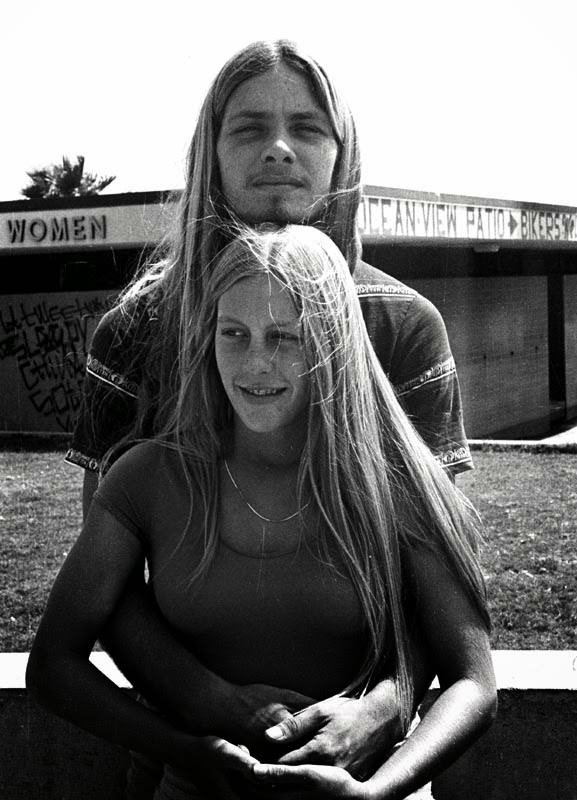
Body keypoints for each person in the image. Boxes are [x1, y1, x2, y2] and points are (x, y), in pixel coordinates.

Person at [63, 39, 474, 787]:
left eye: (307, 128)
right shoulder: (131, 330)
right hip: (190, 754)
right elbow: (107, 589)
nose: (280, 149)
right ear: (209, 153)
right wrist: (207, 706)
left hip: (365, 761)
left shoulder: (407, 326)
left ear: (342, 155)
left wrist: (386, 704)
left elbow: (438, 576)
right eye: (248, 128)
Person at [28, 224, 496, 800]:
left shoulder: (397, 479)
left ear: (332, 342)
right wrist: (181, 749)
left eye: (284, 336)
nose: (254, 364)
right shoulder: (146, 477)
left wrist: (374, 792)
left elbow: (474, 683)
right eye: (234, 333)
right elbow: (52, 664)